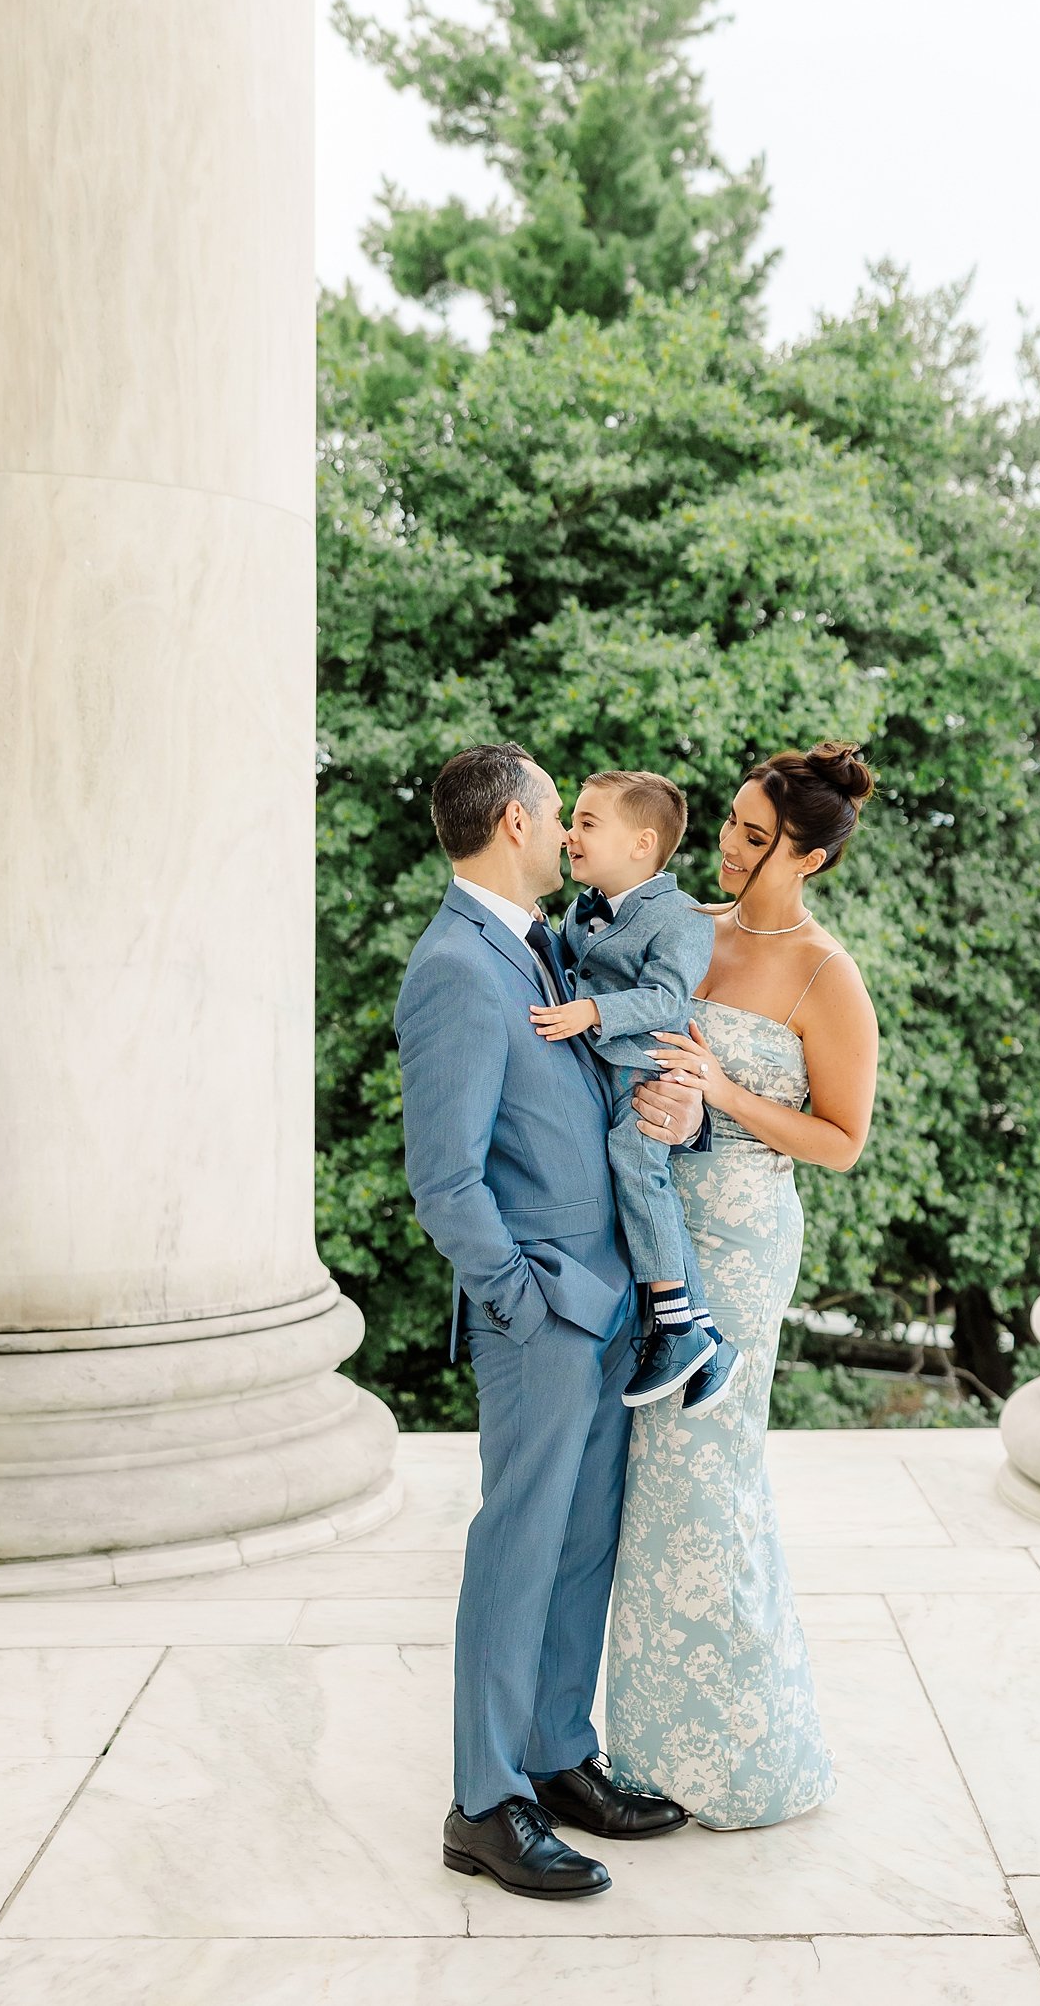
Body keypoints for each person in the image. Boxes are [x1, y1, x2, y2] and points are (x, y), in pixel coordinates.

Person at [394, 742, 706, 1900]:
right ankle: (485, 1801)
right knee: (518, 1549)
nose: (568, 829)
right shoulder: (455, 968)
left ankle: (560, 1755)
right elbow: (447, 1181)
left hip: (616, 1293)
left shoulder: (545, 946)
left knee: (583, 1546)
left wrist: (682, 1115)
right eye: (555, 809)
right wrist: (520, 1303)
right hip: (541, 1318)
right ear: (516, 824)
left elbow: (599, 1091)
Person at [606, 741, 881, 1829]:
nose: (727, 846)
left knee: (707, 1475)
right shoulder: (689, 932)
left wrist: (722, 1093)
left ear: (808, 856)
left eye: (756, 838)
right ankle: (645, 1741)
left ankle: (737, 1752)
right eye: (729, 821)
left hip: (746, 1242)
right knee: (646, 1478)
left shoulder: (827, 974)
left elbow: (841, 1139)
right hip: (654, 1224)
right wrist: (667, 1106)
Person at [530, 768, 741, 1411]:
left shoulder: (680, 916)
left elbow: (667, 997)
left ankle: (676, 1325)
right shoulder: (583, 909)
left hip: (648, 1072)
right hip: (608, 1069)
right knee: (637, 1183)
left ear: (643, 843)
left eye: (588, 823)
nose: (569, 833)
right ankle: (704, 1338)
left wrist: (593, 1012)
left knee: (639, 1174)